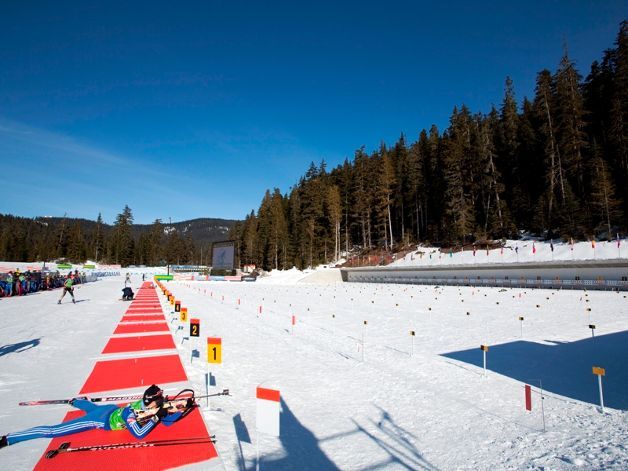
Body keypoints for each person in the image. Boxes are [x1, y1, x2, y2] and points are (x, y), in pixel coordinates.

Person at [0, 385, 193, 449]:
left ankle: (77, 401)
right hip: (101, 419)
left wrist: (183, 407)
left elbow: (164, 414)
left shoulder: (146, 405)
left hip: (109, 408)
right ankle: (9, 438)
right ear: (150, 401)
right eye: (158, 402)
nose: (160, 405)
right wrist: (157, 417)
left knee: (91, 407)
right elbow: (139, 434)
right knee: (54, 431)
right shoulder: (130, 414)